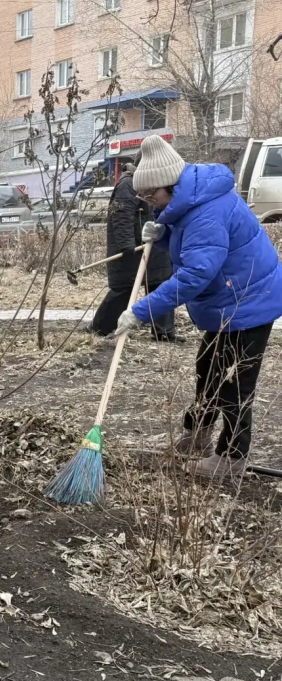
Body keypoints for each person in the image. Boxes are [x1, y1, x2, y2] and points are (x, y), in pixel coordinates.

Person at [120, 134, 282, 479]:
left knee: (236, 381)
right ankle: (198, 436)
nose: (151, 202)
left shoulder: (205, 212)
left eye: (152, 195)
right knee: (207, 367)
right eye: (145, 197)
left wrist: (140, 310)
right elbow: (189, 240)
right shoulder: (189, 199)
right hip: (230, 297)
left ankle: (232, 457)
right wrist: (162, 234)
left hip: (251, 299)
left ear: (171, 184)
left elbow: (195, 274)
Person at [89, 158, 176, 340]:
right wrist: (126, 245)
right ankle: (99, 328)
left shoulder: (161, 184)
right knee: (123, 290)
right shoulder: (128, 184)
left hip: (155, 248)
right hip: (133, 250)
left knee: (160, 287)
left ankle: (164, 332)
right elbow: (121, 215)